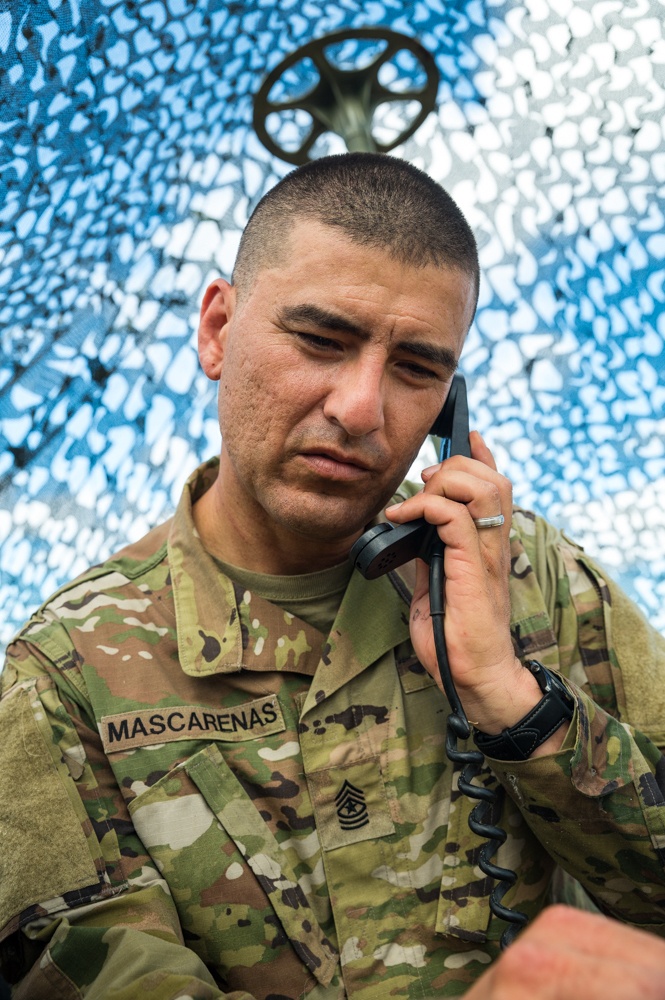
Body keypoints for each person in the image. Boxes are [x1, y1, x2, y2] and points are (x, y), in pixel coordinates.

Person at [1, 153, 664, 1000]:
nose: (360, 409)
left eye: (416, 368)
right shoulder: (67, 672)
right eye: (320, 340)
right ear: (215, 330)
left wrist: (510, 699)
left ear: (448, 410)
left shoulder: (543, 586)